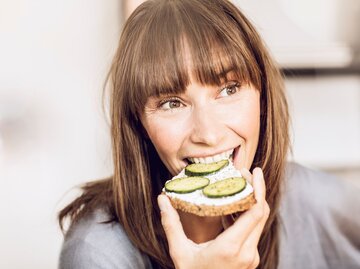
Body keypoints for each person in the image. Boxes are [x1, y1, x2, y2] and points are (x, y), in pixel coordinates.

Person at [58, 0, 360, 268]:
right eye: (172, 103)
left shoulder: (322, 201)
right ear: (139, 123)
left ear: (262, 98)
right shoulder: (96, 252)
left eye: (229, 89)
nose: (209, 134)